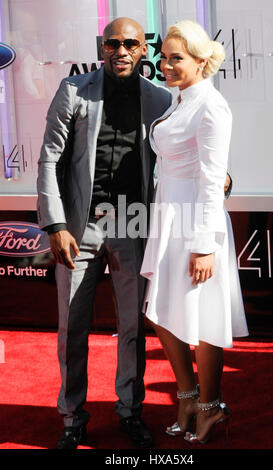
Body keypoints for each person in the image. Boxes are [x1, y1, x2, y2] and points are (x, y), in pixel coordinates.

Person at [37, 17, 172, 449]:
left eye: (130, 43)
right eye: (113, 43)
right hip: (80, 224)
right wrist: (55, 224)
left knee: (132, 327)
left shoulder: (160, 99)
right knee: (72, 326)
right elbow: (49, 160)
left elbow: (183, 153)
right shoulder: (74, 90)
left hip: (134, 224)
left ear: (143, 49)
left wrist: (220, 179)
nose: (121, 51)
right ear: (102, 47)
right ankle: (72, 417)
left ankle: (130, 411)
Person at [140, 20, 249, 445]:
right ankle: (187, 397)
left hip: (195, 222)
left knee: (202, 316)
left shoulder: (211, 106)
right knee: (163, 311)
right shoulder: (181, 100)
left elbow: (210, 179)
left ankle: (210, 406)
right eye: (163, 57)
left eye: (176, 58)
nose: (165, 65)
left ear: (202, 62)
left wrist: (205, 246)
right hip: (169, 217)